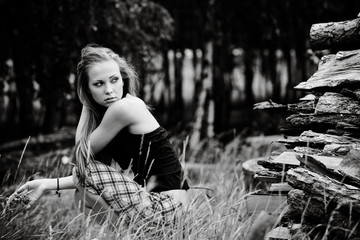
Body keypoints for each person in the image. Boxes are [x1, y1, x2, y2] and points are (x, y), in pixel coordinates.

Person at [13, 43, 191, 227]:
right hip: (170, 209)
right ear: (88, 88)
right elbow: (90, 176)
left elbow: (81, 158)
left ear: (123, 79)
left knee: (84, 179)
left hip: (168, 209)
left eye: (114, 80)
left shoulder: (123, 108)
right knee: (81, 196)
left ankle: (130, 237)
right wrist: (45, 185)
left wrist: (85, 101)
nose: (109, 90)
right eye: (99, 84)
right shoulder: (121, 109)